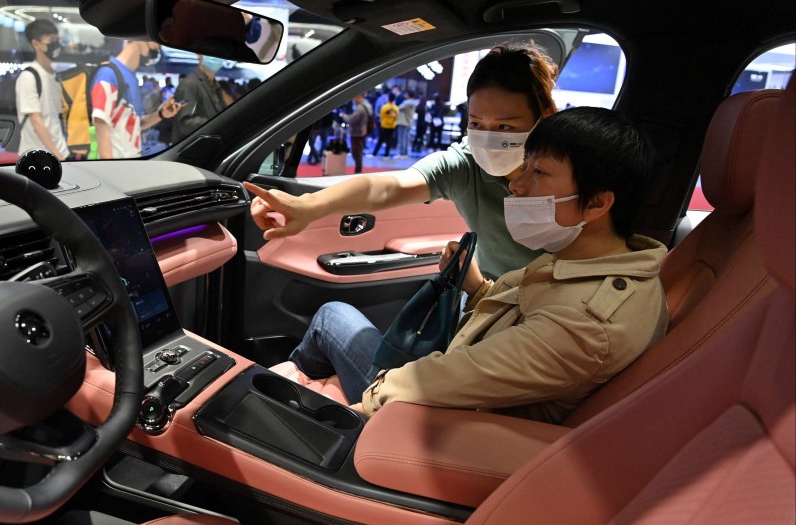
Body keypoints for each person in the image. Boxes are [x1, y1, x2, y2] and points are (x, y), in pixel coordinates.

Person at [284, 107, 669, 423]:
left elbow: (438, 381)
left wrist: (350, 410)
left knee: (330, 317)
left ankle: (297, 383)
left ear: (598, 203)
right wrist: (479, 289)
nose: (517, 185)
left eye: (539, 172)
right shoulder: (597, 263)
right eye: (476, 122)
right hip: (452, 399)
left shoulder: (584, 323)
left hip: (433, 422)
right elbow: (525, 329)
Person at [246, 42, 559, 281]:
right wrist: (310, 206)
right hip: (492, 306)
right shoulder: (466, 165)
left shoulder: (570, 171)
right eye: (476, 123)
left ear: (542, 119)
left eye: (505, 127)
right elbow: (386, 187)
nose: (488, 138)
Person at [90, 40, 183, 158]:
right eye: (155, 46)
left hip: (130, 162)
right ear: (140, 40)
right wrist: (109, 169)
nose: (156, 52)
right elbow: (101, 123)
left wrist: (160, 114)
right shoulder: (108, 75)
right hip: (115, 167)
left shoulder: (131, 78)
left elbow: (136, 123)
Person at [16, 19, 69, 160]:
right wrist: (56, 154)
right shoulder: (29, 76)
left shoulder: (55, 75)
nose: (56, 45)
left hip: (60, 151)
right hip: (37, 155)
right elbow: (36, 119)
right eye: (51, 41)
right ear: (36, 44)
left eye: (57, 40)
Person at [171, 54, 232, 141]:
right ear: (199, 55)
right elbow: (186, 123)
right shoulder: (189, 84)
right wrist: (218, 124)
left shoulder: (216, 86)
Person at [341, 93, 372, 173]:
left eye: (354, 97)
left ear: (358, 96)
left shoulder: (360, 108)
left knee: (356, 153)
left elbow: (351, 120)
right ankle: (358, 171)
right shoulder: (367, 105)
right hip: (363, 131)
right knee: (359, 152)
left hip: (357, 133)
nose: (353, 100)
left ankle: (358, 172)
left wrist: (344, 116)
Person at [372, 93, 399, 158]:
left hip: (384, 126)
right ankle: (386, 155)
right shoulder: (396, 108)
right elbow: (396, 117)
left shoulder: (384, 107)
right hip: (392, 126)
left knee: (380, 140)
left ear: (388, 98)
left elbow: (381, 116)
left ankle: (374, 154)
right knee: (389, 141)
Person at [396, 91, 416, 158]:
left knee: (402, 138)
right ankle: (405, 154)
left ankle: (402, 154)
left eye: (406, 94)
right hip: (409, 122)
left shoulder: (406, 102)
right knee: (406, 139)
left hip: (403, 122)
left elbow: (398, 108)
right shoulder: (413, 102)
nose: (405, 94)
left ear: (408, 95)